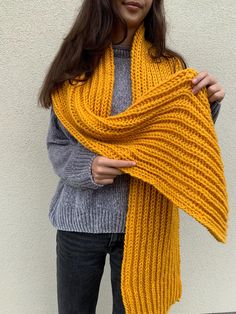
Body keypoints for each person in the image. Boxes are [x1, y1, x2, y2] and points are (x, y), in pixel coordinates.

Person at [38, 1, 225, 313]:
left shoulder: (170, 68)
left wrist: (206, 107)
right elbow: (58, 144)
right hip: (78, 223)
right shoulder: (75, 64)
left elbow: (175, 144)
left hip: (144, 230)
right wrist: (88, 167)